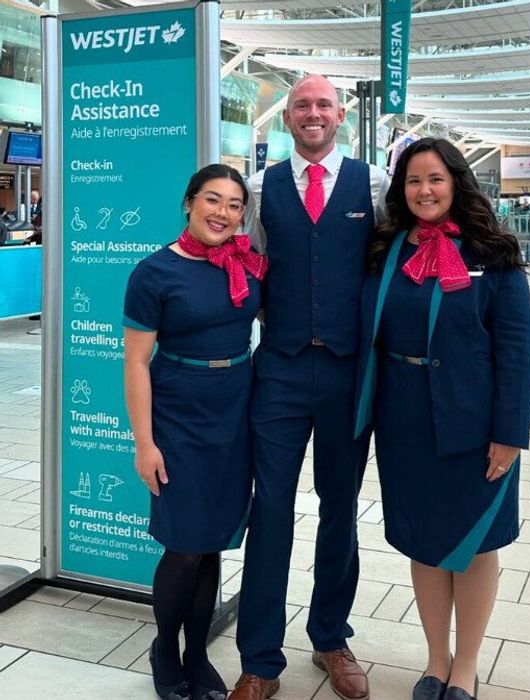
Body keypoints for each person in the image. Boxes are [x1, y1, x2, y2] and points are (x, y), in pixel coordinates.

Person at [354, 137, 530, 700]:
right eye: (412, 181)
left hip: (474, 422)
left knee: (478, 545)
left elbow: (517, 347)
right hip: (404, 421)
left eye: (434, 178)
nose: (424, 190)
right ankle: (436, 660)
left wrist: (509, 434)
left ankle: (468, 664)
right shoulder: (387, 251)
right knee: (424, 542)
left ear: (456, 182)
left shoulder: (493, 255)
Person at [231, 74, 389, 700]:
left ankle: (329, 637)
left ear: (341, 114)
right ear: (287, 118)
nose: (313, 113)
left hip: (349, 371)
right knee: (269, 509)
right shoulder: (258, 188)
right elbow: (252, 265)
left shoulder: (374, 186)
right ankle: (260, 661)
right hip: (281, 369)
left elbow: (388, 265)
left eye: (324, 104)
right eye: (302, 105)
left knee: (339, 508)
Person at [123, 164, 264, 700]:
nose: (223, 213)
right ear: (188, 203)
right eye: (212, 200)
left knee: (211, 546)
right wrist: (145, 443)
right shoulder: (154, 272)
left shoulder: (247, 265)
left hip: (236, 411)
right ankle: (165, 647)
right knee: (183, 544)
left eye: (234, 205)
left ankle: (197, 651)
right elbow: (136, 363)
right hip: (178, 414)